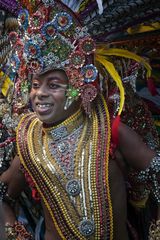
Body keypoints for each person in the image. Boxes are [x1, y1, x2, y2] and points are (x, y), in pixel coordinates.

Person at [0, 1, 160, 239]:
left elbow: (156, 171)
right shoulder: (28, 142)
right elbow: (3, 194)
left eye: (53, 84)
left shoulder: (108, 127)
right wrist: (14, 233)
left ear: (77, 86)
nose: (40, 93)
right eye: (34, 85)